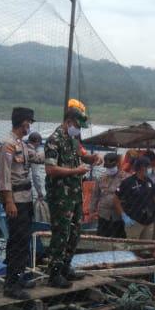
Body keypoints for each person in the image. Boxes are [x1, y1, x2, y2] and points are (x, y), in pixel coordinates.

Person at [45, 102, 99, 288]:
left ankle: (66, 266)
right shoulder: (54, 140)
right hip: (60, 195)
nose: (78, 130)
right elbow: (50, 169)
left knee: (75, 232)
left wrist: (92, 159)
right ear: (68, 122)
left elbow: (82, 155)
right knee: (61, 233)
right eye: (76, 126)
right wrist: (75, 171)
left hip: (75, 194)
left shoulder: (73, 140)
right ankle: (54, 273)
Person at [0, 107, 43, 300]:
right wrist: (9, 201)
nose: (29, 126)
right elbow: (4, 177)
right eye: (28, 123)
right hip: (15, 199)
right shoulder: (7, 144)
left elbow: (36, 158)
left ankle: (18, 276)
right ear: (22, 122)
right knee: (16, 241)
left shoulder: (22, 145)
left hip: (26, 199)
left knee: (23, 240)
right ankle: (11, 285)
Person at [115, 156, 155, 240]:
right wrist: (123, 215)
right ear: (142, 168)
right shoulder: (128, 182)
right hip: (134, 221)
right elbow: (116, 199)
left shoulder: (149, 181)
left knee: (146, 248)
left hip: (148, 221)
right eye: (148, 167)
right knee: (132, 247)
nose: (150, 169)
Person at [90, 152, 127, 238]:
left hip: (118, 215)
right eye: (107, 167)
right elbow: (95, 195)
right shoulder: (101, 178)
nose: (109, 169)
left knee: (119, 238)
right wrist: (92, 211)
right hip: (103, 214)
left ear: (117, 164)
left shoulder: (124, 178)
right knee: (102, 237)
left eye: (111, 167)